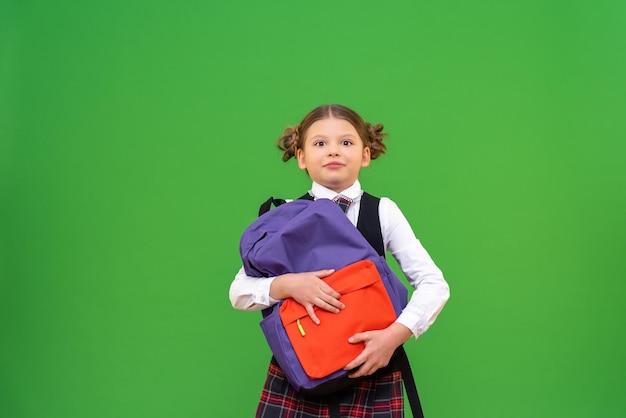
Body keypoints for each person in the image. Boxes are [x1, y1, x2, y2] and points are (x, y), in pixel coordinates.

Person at [229, 104, 450, 418]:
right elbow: (238, 292)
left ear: (365, 154)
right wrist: (288, 284)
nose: (333, 151)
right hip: (302, 369)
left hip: (373, 369)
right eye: (320, 143)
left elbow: (434, 284)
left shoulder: (382, 211)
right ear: (302, 157)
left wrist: (394, 336)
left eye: (346, 142)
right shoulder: (283, 217)